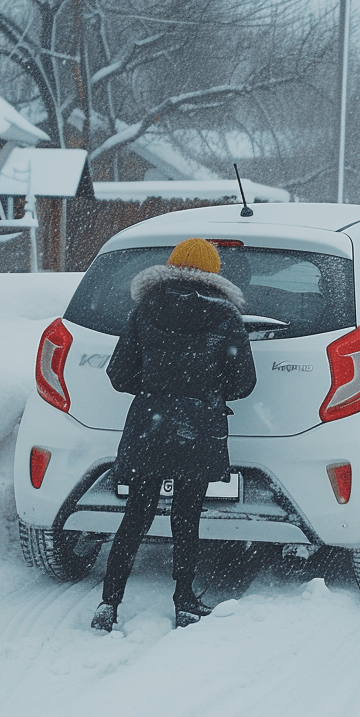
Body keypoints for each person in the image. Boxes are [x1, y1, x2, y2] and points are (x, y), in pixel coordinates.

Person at [92, 238, 256, 631]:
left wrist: (157, 390)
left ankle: (109, 604)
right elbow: (244, 382)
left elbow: (118, 375)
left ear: (171, 267)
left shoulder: (145, 310)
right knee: (187, 516)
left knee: (136, 516)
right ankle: (184, 600)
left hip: (150, 424)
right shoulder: (225, 316)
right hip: (199, 426)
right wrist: (207, 393)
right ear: (214, 274)